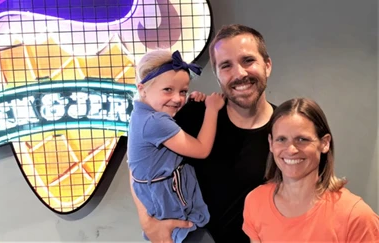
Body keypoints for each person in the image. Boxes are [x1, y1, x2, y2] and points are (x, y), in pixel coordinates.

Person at [130, 24, 276, 243]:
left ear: (267, 65)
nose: (239, 73)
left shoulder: (285, 128)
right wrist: (148, 222)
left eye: (248, 60)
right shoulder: (193, 114)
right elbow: (138, 165)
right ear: (217, 74)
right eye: (226, 65)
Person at [242, 98, 379, 242]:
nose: (291, 149)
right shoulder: (256, 201)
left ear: (324, 143)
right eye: (281, 139)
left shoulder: (356, 215)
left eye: (302, 139)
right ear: (271, 143)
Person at [127, 49, 225, 243]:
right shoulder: (155, 122)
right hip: (173, 209)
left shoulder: (142, 115)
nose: (177, 98)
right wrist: (212, 109)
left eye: (183, 91)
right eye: (168, 90)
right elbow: (202, 149)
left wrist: (189, 103)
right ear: (142, 89)